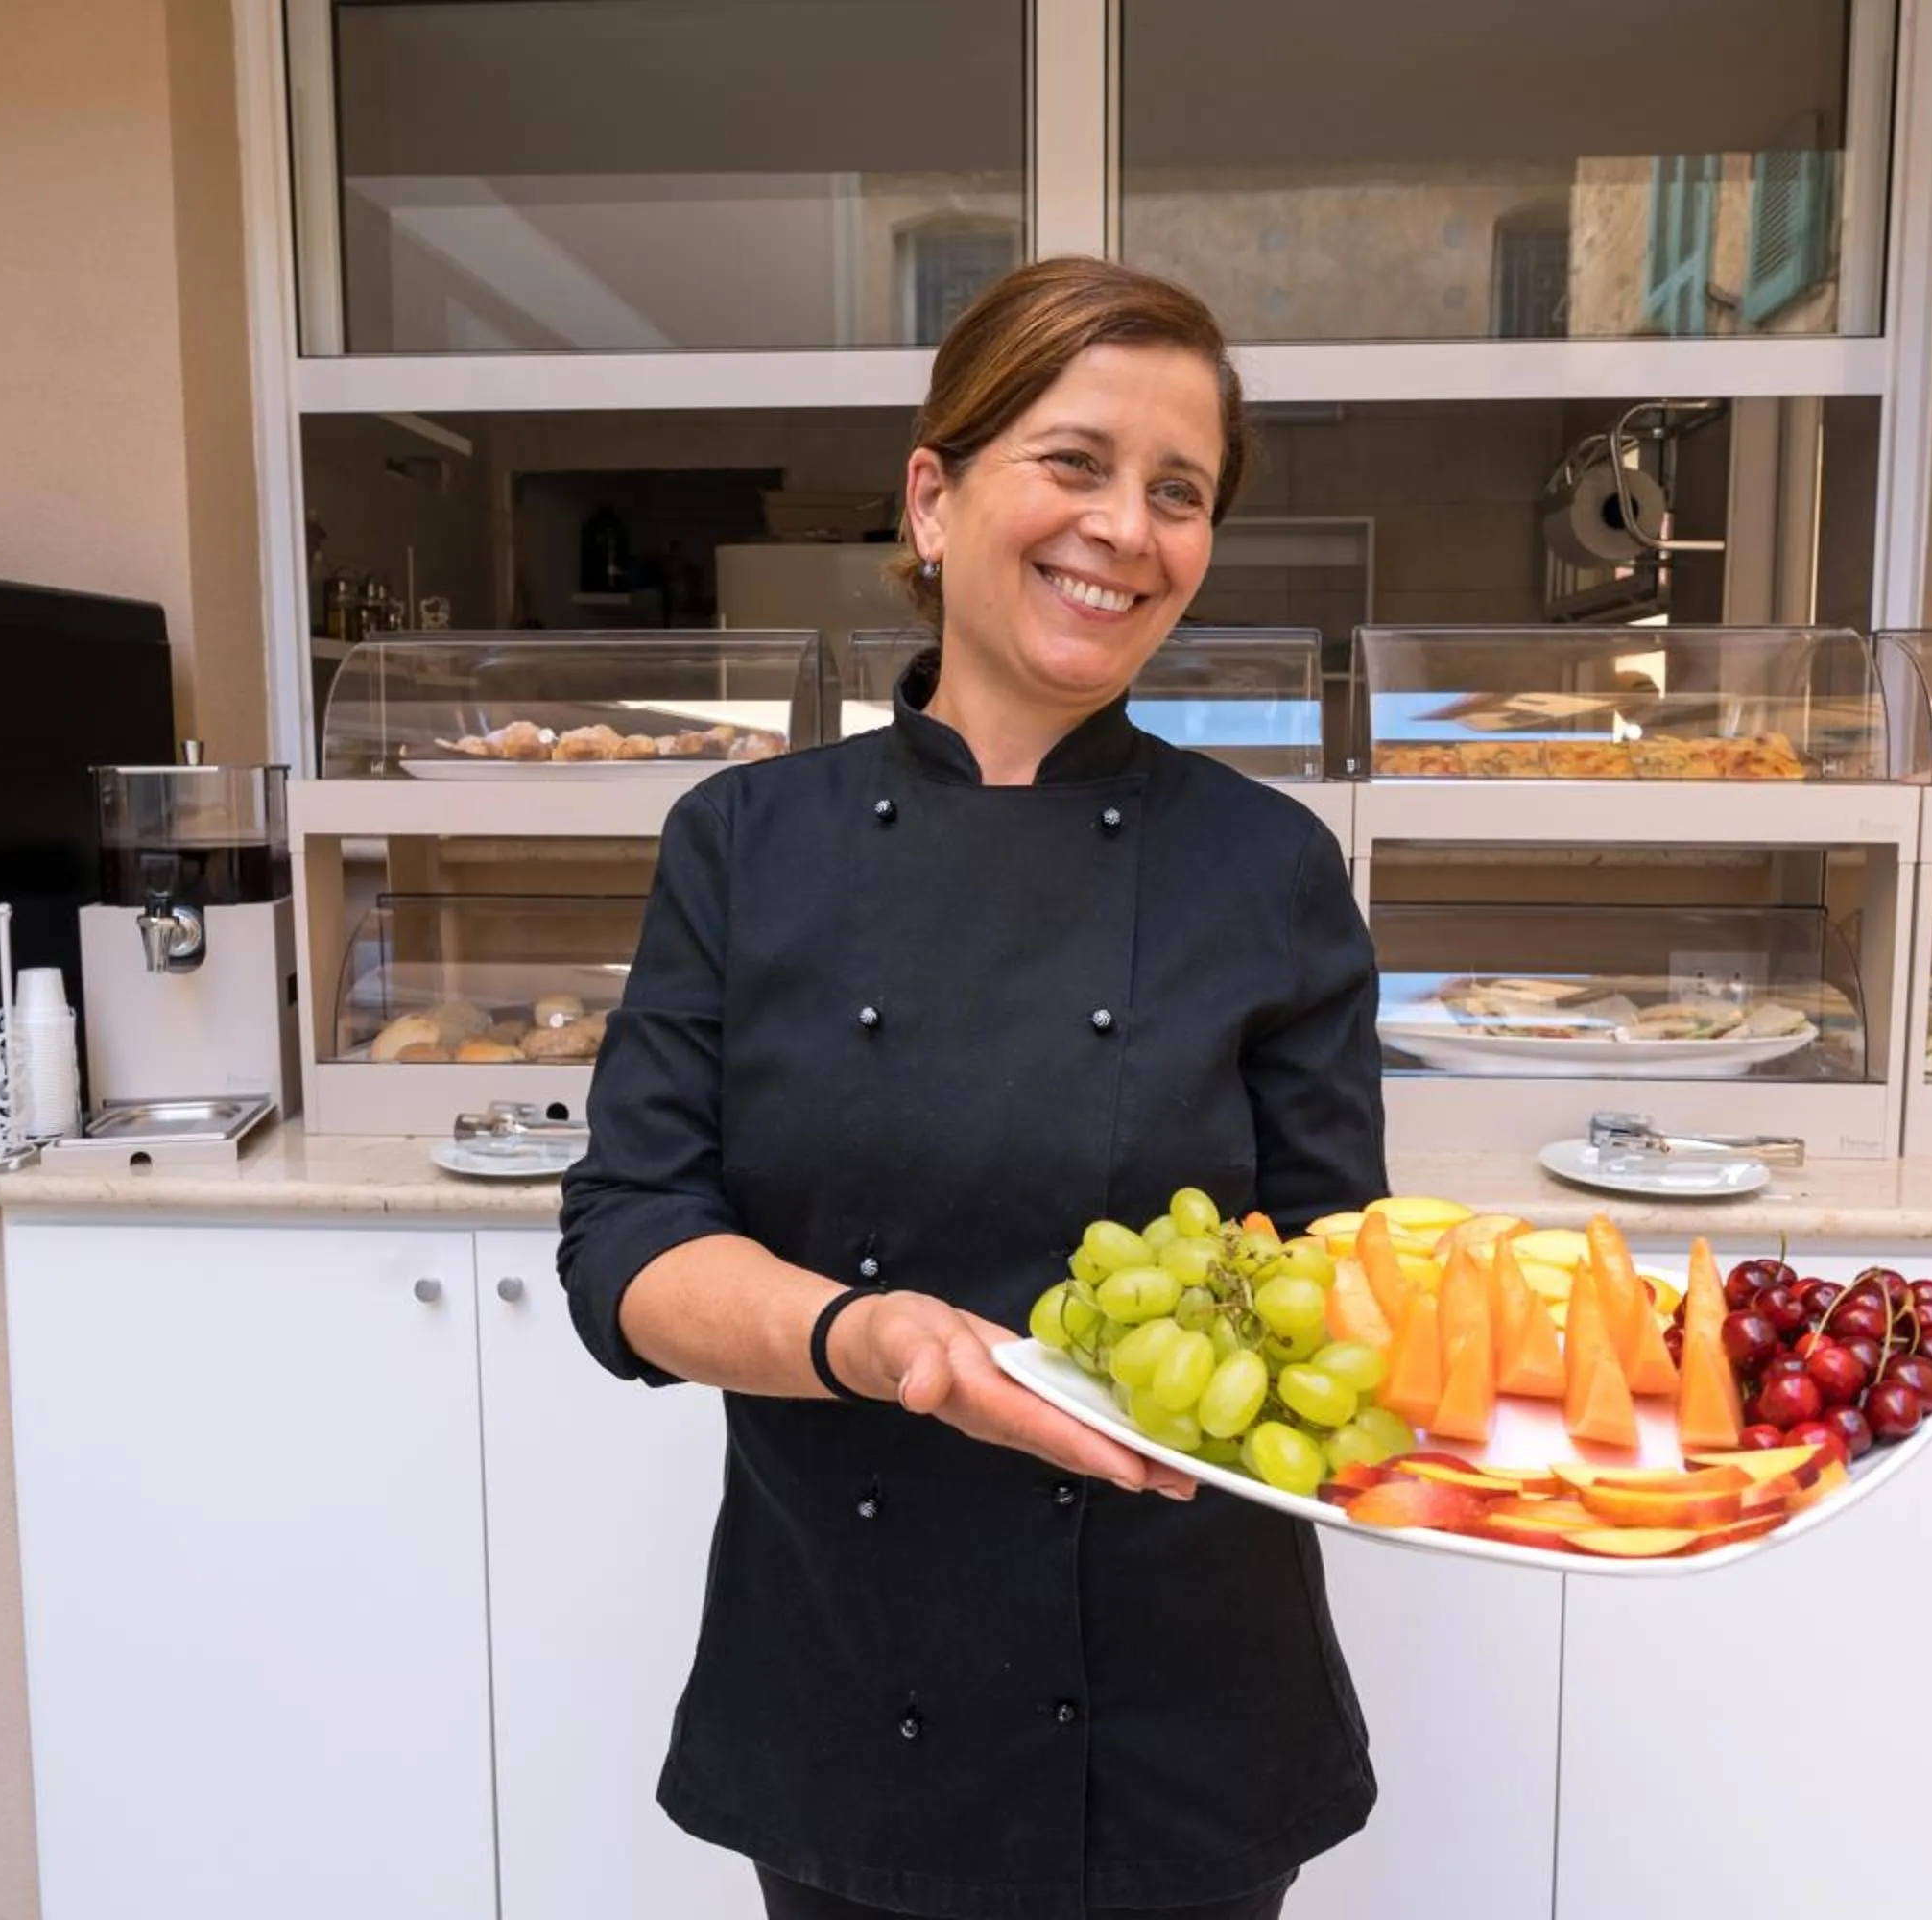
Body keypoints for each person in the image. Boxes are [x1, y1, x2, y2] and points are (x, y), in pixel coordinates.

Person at [558, 255, 1387, 1920]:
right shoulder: (743, 844)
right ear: (934, 498)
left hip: (1184, 1703)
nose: (1125, 529)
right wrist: (871, 1341)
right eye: (1075, 463)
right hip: (850, 1672)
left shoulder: (1271, 866)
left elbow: (1342, 1274)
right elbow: (628, 1246)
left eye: (1180, 492)